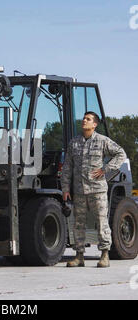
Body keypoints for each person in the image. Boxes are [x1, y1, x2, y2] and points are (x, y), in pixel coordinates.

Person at [61, 111, 126, 268]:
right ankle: (79, 256)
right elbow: (68, 167)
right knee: (78, 224)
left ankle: (104, 255)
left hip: (97, 190)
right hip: (79, 190)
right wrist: (65, 187)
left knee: (101, 222)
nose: (84, 120)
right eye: (84, 118)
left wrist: (106, 169)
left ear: (94, 124)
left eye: (88, 119)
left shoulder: (102, 141)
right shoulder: (74, 142)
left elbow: (120, 154)